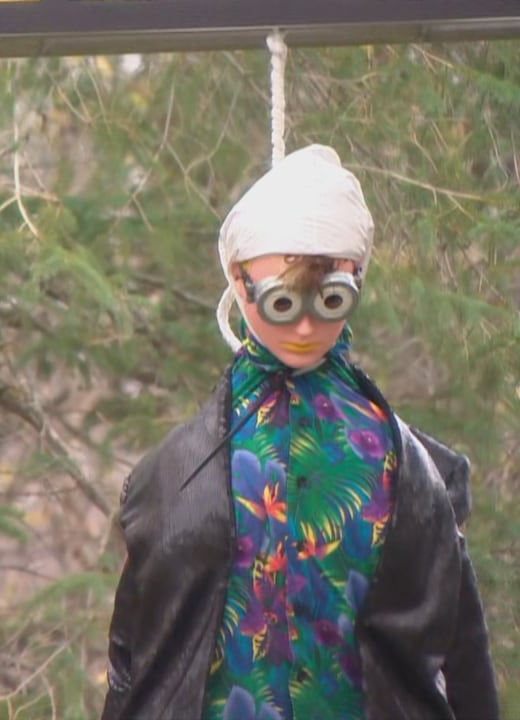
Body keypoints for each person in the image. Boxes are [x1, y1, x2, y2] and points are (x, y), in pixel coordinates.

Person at [101, 145, 498, 720]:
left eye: (332, 298)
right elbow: (137, 659)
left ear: (356, 280)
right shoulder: (173, 473)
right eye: (282, 301)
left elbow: (462, 654)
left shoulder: (406, 467)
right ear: (239, 283)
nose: (308, 325)